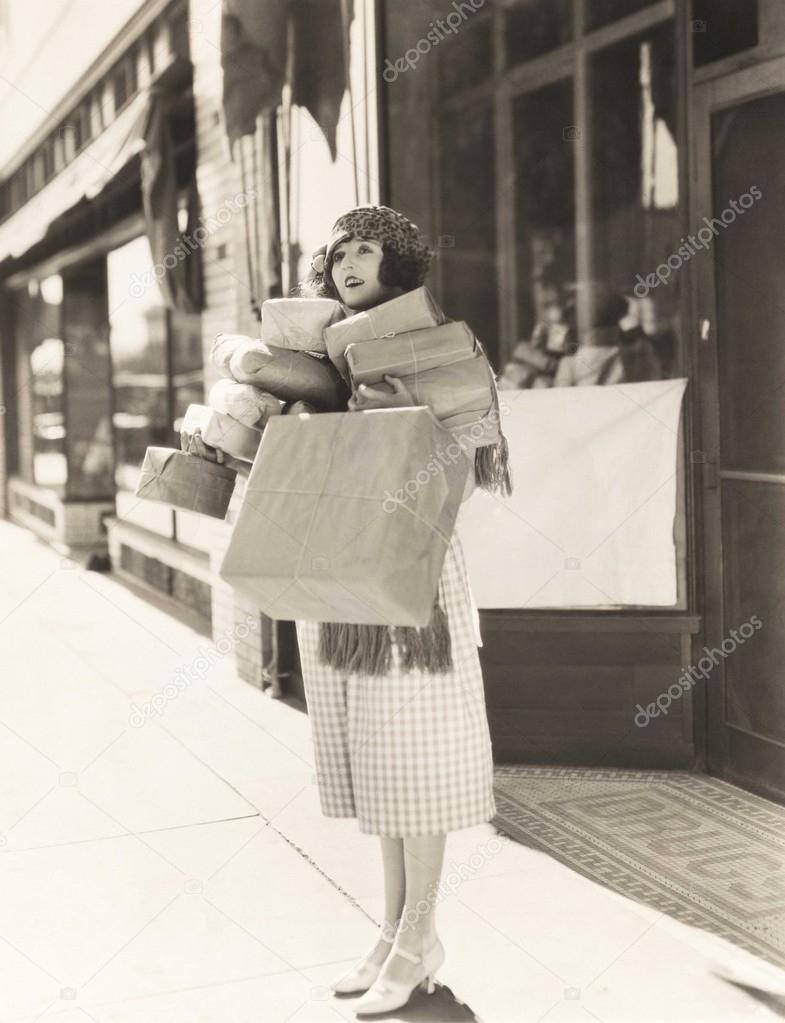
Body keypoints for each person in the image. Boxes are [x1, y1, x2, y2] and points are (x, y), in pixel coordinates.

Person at [185, 205, 508, 1016]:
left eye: (367, 249)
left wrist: (403, 410)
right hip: (342, 573)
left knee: (416, 760)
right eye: (337, 255)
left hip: (411, 575)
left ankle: (421, 934)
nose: (350, 262)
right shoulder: (315, 358)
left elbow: (464, 466)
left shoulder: (443, 347)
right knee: (381, 767)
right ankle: (396, 929)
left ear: (396, 264)